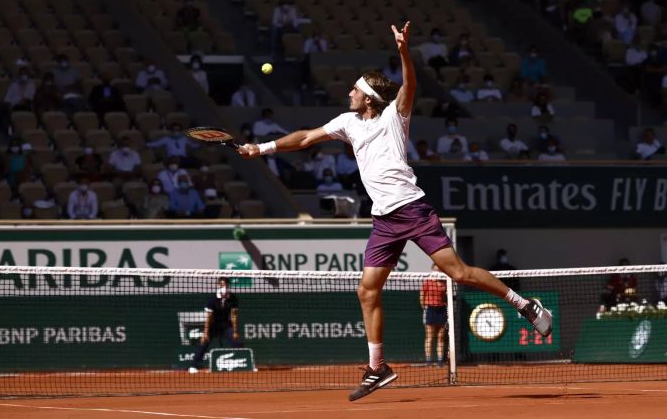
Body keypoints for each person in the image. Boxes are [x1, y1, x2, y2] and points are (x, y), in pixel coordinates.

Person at [236, 22, 552, 401]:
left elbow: (409, 85)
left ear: (369, 97)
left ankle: (524, 305)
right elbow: (304, 137)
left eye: (355, 89)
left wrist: (404, 51)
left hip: (413, 209)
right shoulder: (346, 123)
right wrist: (262, 148)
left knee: (459, 272)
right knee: (367, 290)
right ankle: (378, 367)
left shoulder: (394, 117)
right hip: (384, 219)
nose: (349, 92)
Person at [188, 277, 243, 373]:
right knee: (203, 343)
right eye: (221, 285)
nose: (224, 287)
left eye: (226, 285)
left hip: (226, 326)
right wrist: (205, 332)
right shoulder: (212, 299)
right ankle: (193, 366)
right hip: (213, 326)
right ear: (218, 286)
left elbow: (234, 316)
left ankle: (246, 365)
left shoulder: (232, 298)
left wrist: (234, 331)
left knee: (237, 342)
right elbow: (209, 317)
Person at [420, 264, 447, 366]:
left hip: (441, 310)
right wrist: (425, 308)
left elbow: (445, 297)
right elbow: (422, 296)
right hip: (430, 309)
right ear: (432, 270)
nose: (437, 272)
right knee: (430, 337)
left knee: (440, 337)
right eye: (436, 270)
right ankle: (429, 360)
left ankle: (440, 361)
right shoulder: (427, 282)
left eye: (439, 270)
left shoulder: (444, 283)